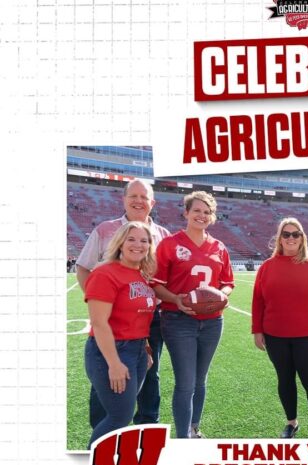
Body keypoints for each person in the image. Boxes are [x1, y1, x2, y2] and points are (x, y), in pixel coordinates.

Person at [76, 179, 170, 427]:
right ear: (124, 199)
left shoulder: (163, 235)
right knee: (106, 376)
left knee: (150, 373)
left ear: (153, 202)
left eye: (144, 197)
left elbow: (167, 278)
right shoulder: (105, 229)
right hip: (112, 319)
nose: (139, 201)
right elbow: (84, 267)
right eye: (133, 196)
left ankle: (146, 428)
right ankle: (102, 427)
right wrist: (103, 301)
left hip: (151, 316)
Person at [153, 191, 234, 439]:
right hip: (178, 320)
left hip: (212, 322)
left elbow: (228, 282)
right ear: (186, 213)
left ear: (212, 217)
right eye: (197, 210)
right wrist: (176, 299)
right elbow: (156, 284)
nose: (201, 215)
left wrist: (222, 295)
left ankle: (193, 427)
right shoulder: (170, 244)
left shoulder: (219, 247)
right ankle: (182, 438)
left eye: (206, 212)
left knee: (200, 380)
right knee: (186, 382)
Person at [252, 218, 308, 439]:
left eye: (295, 234)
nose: (290, 238)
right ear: (279, 238)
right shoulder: (267, 267)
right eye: (285, 234)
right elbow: (258, 300)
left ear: (302, 238)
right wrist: (257, 330)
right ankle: (291, 422)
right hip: (275, 336)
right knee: (285, 380)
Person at [84, 221, 156, 446]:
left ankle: (112, 464)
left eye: (144, 240)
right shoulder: (105, 273)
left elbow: (138, 317)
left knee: (122, 414)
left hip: (137, 352)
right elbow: (99, 322)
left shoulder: (141, 276)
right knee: (119, 417)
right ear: (120, 243)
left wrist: (145, 349)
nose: (138, 245)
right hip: (112, 351)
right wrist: (114, 363)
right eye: (131, 239)